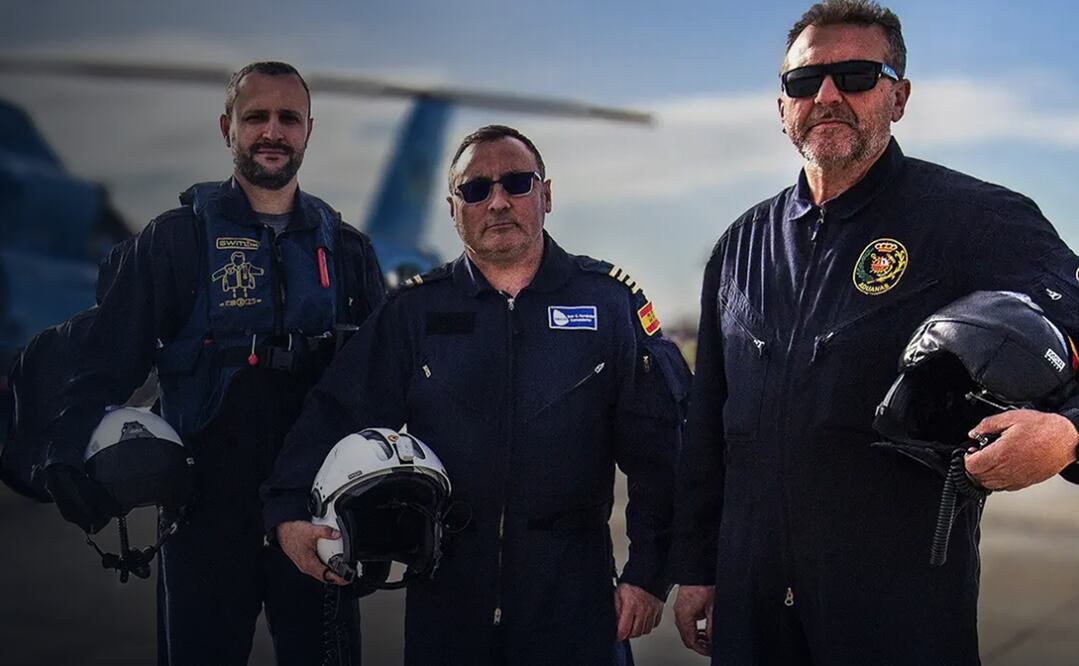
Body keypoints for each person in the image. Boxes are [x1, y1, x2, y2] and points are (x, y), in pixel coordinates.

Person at [669, 2, 1079, 664]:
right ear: (782, 108)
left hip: (898, 606)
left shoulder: (974, 221)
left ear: (898, 96)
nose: (826, 96)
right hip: (753, 603)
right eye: (804, 83)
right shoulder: (738, 248)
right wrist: (695, 565)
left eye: (855, 75)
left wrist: (1067, 436)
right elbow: (709, 426)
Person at [262, 124, 690, 665]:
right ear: (453, 208)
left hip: (575, 606)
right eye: (476, 189)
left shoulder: (608, 306)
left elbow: (663, 454)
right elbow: (336, 411)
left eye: (516, 183)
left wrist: (649, 575)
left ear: (547, 195)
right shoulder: (413, 315)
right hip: (448, 605)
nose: (498, 202)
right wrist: (288, 509)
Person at [42, 61, 385, 665]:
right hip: (203, 517)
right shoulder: (174, 241)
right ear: (228, 128)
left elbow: (385, 373)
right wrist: (67, 446)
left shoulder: (347, 248)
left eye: (288, 118)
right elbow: (107, 358)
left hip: (315, 514)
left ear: (309, 131)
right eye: (256, 117)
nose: (272, 131)